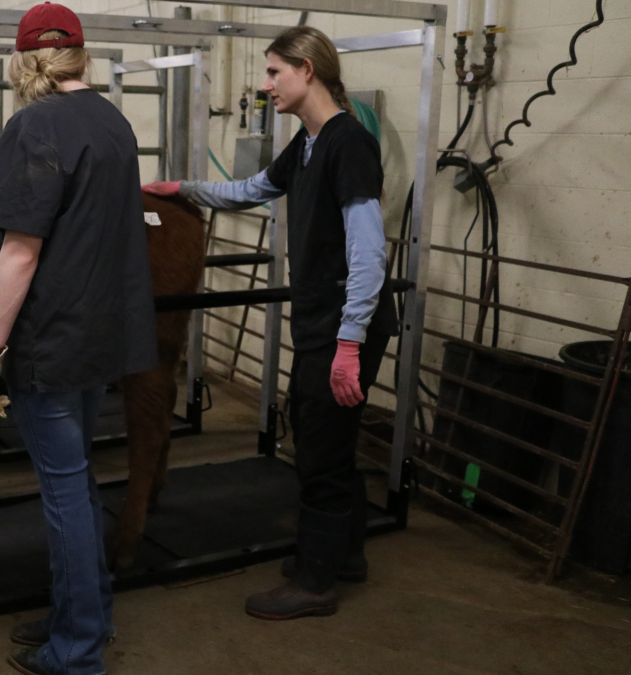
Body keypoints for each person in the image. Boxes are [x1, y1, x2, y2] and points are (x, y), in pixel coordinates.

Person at [145, 25, 398, 620]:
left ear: (307, 69)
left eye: (273, 73)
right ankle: (347, 552)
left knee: (319, 449)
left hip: (344, 323)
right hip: (325, 320)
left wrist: (348, 343)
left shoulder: (347, 143)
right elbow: (254, 189)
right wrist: (186, 189)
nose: (266, 86)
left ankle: (315, 582)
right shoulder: (308, 143)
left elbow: (369, 251)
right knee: (324, 433)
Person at [0, 3, 156, 674]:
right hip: (102, 330)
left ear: (22, 61)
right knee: (76, 483)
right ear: (81, 56)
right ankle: (82, 615)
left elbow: (20, 251)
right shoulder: (114, 121)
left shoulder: (32, 125)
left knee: (65, 490)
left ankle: (76, 651)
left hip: (51, 337)